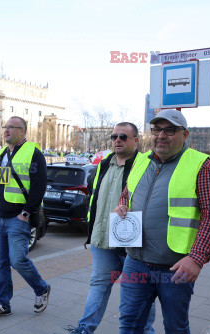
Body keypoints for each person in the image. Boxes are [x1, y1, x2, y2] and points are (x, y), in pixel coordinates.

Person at [113, 109, 210, 333]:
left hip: (175, 267)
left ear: (185, 135)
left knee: (175, 326)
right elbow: (128, 193)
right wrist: (122, 205)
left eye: (170, 130)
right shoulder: (142, 160)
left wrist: (196, 258)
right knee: (129, 323)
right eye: (156, 129)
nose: (161, 135)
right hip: (136, 260)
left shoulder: (200, 165)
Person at [68, 122, 155, 334]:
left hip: (132, 243)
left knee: (139, 291)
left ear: (136, 141)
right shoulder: (105, 163)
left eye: (123, 137)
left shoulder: (145, 164)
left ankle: (146, 331)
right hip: (102, 239)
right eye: (114, 136)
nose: (117, 140)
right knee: (98, 285)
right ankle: (84, 329)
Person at [0, 116, 51, 319]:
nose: (6, 130)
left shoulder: (34, 153)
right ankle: (3, 304)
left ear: (23, 131)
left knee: (18, 260)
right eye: (6, 127)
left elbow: (39, 187)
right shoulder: (1, 153)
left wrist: (26, 213)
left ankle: (41, 288)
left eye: (12, 127)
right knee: (0, 263)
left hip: (18, 217)